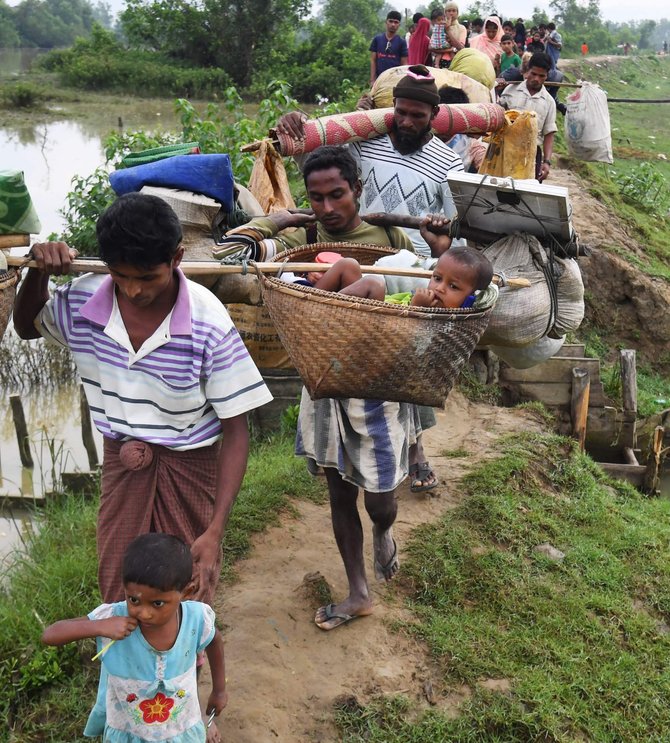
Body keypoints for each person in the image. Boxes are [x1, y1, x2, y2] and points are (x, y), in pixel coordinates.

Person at [13, 193, 273, 605]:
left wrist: (215, 531)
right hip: (123, 464)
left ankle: (185, 662)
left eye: (148, 277)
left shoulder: (207, 321)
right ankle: (125, 664)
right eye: (120, 275)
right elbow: (28, 328)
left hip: (189, 467)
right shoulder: (83, 301)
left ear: (176, 258)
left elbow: (236, 430)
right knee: (122, 583)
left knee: (186, 587)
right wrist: (38, 272)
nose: (134, 290)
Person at [42, 533, 227, 742]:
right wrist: (100, 626)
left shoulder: (196, 619)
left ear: (186, 592)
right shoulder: (113, 617)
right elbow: (50, 635)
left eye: (157, 603)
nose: (143, 613)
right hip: (129, 731)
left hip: (180, 728)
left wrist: (219, 690)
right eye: (134, 599)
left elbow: (214, 640)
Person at [308, 246, 494, 310]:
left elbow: (410, 337)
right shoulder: (433, 301)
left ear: (471, 298)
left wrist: (416, 308)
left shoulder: (451, 317)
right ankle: (309, 303)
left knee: (374, 284)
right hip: (374, 308)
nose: (439, 288)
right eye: (437, 278)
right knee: (348, 265)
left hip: (375, 326)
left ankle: (325, 311)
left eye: (453, 287)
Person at [498, 51, 557, 182]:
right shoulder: (510, 90)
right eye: (533, 74)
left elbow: (549, 134)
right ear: (527, 71)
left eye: (541, 76)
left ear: (547, 76)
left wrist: (546, 162)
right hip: (505, 150)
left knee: (524, 195)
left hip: (531, 155)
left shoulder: (549, 102)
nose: (536, 79)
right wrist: (497, 88)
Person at [370, 10, 408, 85]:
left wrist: (402, 83)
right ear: (386, 22)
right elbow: (373, 60)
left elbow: (404, 64)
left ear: (399, 25)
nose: (393, 24)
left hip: (394, 82)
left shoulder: (402, 42)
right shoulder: (377, 39)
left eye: (396, 22)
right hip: (379, 80)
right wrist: (372, 80)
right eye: (390, 21)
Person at [442, 1, 467, 67]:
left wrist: (448, 30)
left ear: (457, 12)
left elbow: (461, 47)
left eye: (454, 11)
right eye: (449, 11)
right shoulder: (440, 26)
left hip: (457, 62)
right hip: (441, 61)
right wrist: (451, 49)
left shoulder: (462, 28)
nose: (451, 13)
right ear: (445, 12)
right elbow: (432, 47)